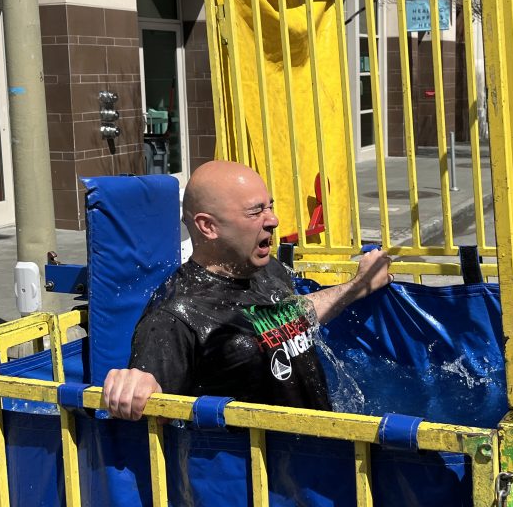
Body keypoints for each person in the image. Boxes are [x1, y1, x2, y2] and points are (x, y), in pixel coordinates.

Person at [103, 160, 393, 419]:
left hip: (313, 457)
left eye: (270, 206)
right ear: (208, 226)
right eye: (256, 211)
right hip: (253, 473)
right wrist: (138, 388)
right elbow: (151, 416)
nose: (273, 220)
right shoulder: (174, 317)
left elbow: (289, 315)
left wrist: (359, 286)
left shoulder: (266, 269)